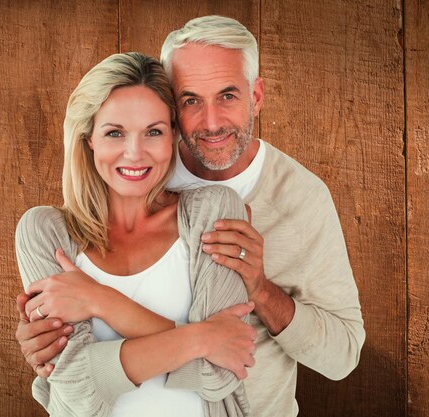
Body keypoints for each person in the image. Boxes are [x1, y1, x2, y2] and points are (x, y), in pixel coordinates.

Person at [17, 16, 366, 417]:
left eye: (228, 96)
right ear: (173, 110)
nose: (212, 121)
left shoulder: (295, 199)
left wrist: (260, 288)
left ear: (256, 96)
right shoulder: (99, 197)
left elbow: (339, 358)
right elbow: (73, 383)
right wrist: (45, 338)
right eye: (191, 100)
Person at [15, 51, 258, 417]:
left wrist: (99, 300)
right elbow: (77, 388)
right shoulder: (45, 232)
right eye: (115, 133)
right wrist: (202, 337)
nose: (134, 153)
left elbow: (221, 373)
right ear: (88, 138)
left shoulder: (214, 212)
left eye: (153, 132)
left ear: (173, 135)